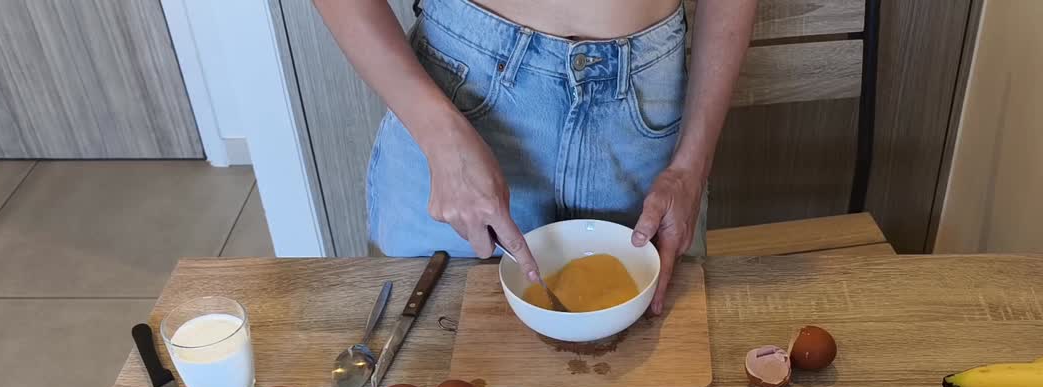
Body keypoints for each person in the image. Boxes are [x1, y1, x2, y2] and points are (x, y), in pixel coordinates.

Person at [314, 0, 755, 314]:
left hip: (644, 120)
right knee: (423, 371)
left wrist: (692, 167)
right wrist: (440, 136)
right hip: (459, 104)